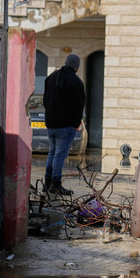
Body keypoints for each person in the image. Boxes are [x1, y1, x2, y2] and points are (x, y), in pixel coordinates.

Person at [42, 54, 85, 196]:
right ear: (76, 66)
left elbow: (45, 100)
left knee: (52, 152)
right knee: (59, 154)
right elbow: (79, 105)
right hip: (66, 126)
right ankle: (56, 184)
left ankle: (47, 183)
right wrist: (75, 123)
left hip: (51, 123)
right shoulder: (76, 82)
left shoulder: (52, 77)